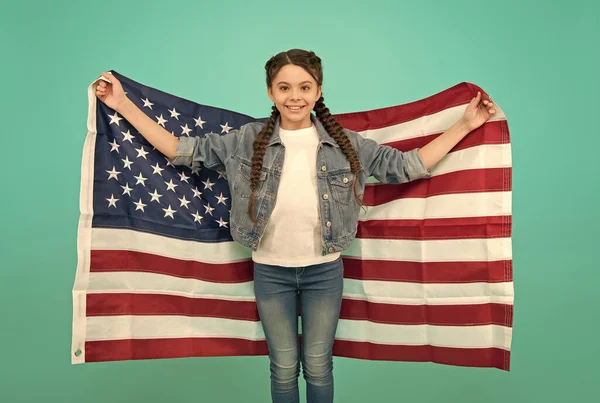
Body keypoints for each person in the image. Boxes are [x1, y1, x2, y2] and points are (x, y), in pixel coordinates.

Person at [95, 48, 495, 403]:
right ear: (271, 93)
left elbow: (408, 166)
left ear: (318, 91)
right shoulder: (244, 140)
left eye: (304, 87)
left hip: (324, 272)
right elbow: (181, 151)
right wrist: (122, 104)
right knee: (284, 369)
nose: (295, 96)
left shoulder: (346, 144)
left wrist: (465, 125)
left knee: (318, 367)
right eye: (284, 88)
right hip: (271, 272)